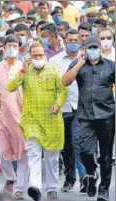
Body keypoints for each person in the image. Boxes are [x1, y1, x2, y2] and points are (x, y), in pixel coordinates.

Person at [7, 42, 68, 201]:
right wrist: (21, 72)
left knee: (51, 157)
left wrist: (58, 103)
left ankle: (52, 187)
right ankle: (35, 186)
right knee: (33, 153)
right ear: (30, 57)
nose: (38, 58)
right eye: (35, 56)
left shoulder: (54, 69)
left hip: (51, 120)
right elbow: (10, 87)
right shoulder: (25, 71)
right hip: (31, 120)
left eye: (41, 55)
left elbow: (63, 89)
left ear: (45, 55)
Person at [62, 36, 115, 201]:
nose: (93, 51)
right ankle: (91, 174)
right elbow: (65, 81)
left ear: (100, 48)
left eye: (95, 47)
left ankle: (104, 190)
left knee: (106, 155)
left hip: (107, 115)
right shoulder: (78, 64)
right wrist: (78, 63)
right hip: (85, 115)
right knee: (85, 151)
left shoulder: (110, 66)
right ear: (84, 49)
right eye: (90, 48)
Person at [0, 34, 28, 200]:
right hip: (0, 115)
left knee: (23, 151)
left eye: (15, 45)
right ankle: (10, 177)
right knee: (2, 150)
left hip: (21, 115)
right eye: (9, 45)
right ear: (4, 48)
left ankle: (19, 186)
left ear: (19, 48)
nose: (12, 48)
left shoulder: (24, 67)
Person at [49, 29, 87, 193]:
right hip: (61, 108)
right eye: (70, 39)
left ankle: (85, 178)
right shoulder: (55, 61)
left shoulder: (86, 59)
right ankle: (69, 179)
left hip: (80, 107)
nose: (73, 42)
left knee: (79, 143)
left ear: (80, 41)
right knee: (66, 147)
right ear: (65, 41)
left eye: (76, 39)